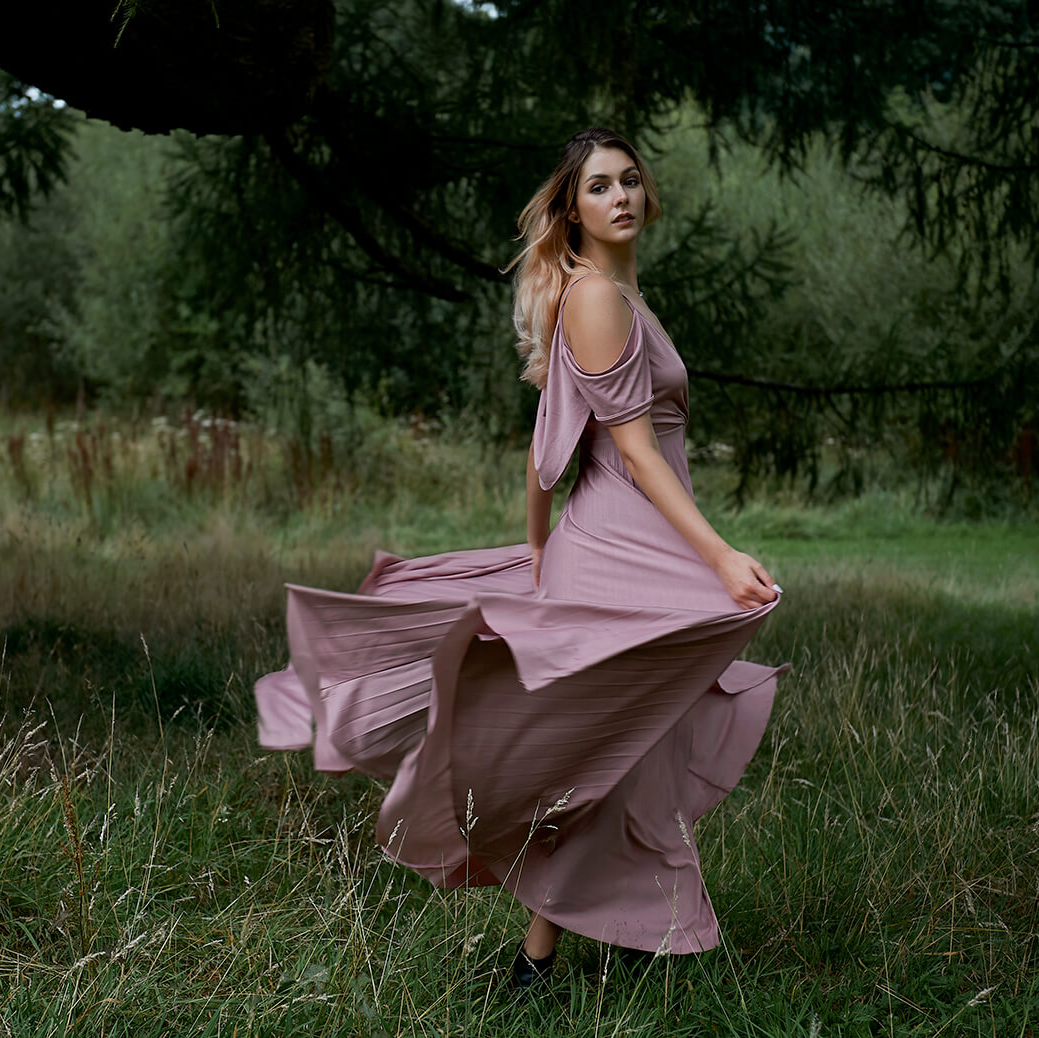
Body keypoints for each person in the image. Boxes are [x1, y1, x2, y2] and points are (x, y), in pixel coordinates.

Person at [254, 127, 786, 992]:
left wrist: (542, 545)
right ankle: (567, 955)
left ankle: (570, 952)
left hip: (626, 540)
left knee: (623, 748)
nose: (620, 196)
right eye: (599, 187)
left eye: (631, 182)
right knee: (604, 749)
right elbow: (637, 451)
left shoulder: (611, 292)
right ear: (572, 211)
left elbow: (546, 434)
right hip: (622, 543)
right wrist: (719, 555)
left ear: (647, 198)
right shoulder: (597, 298)